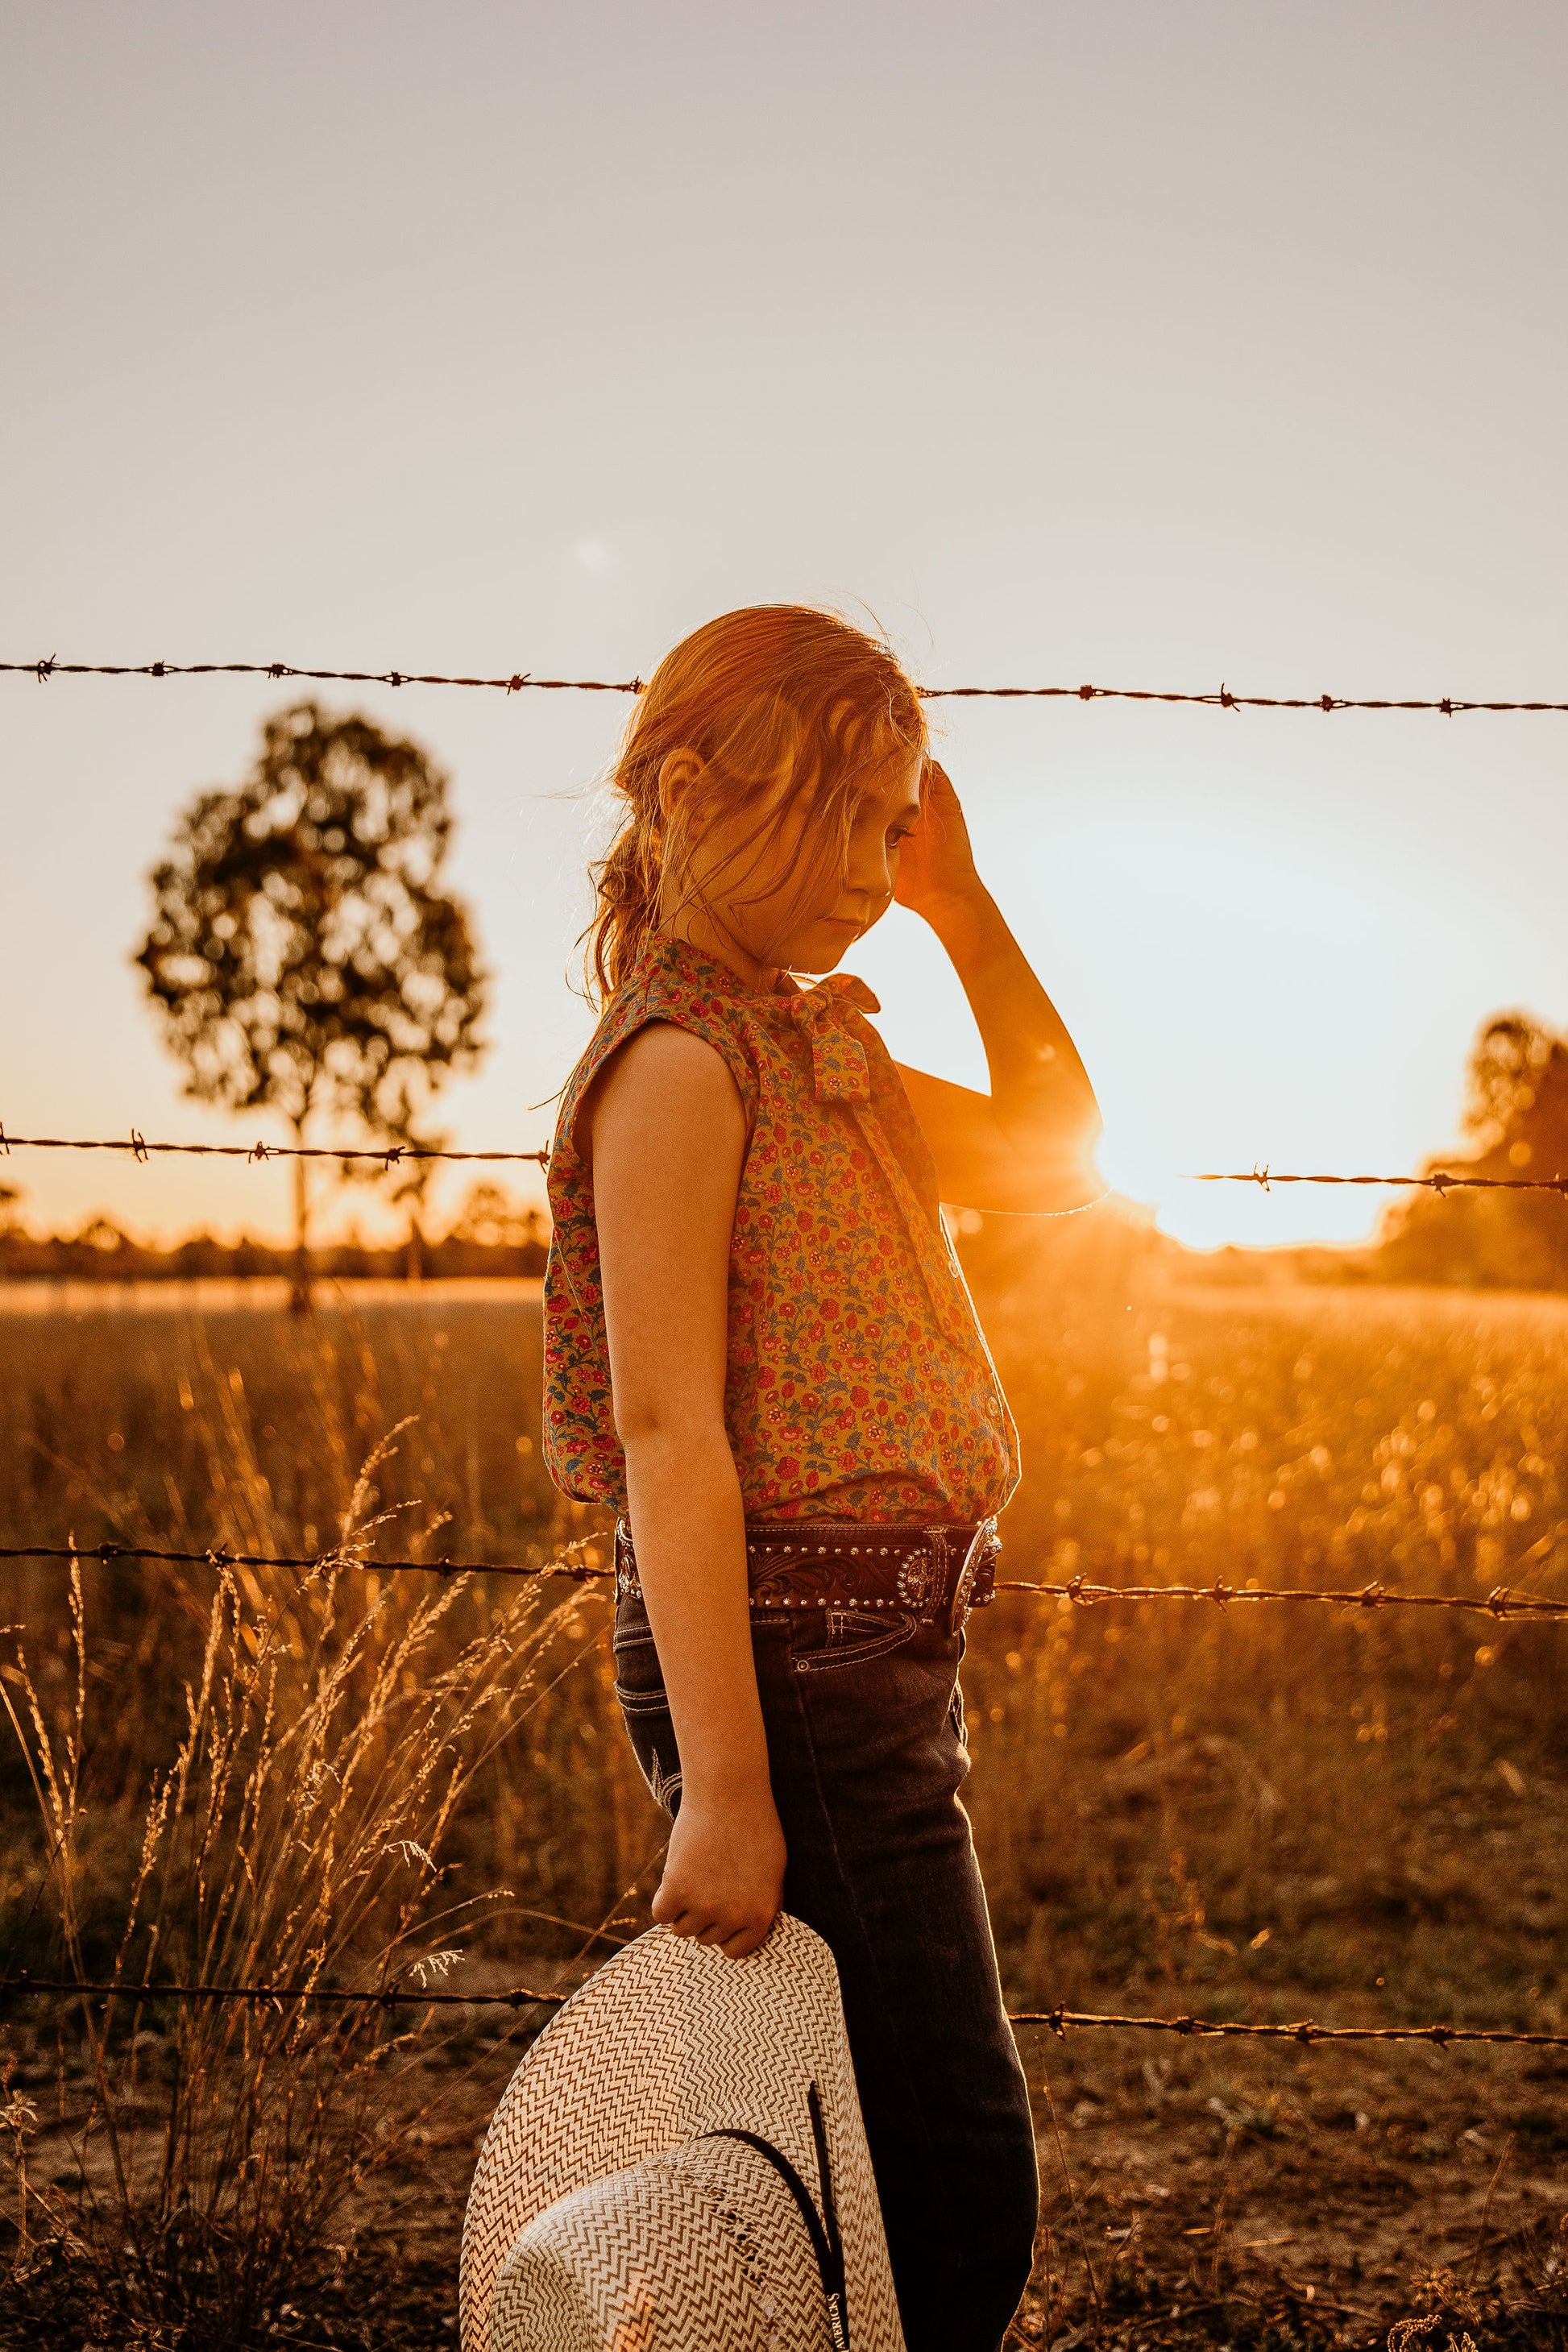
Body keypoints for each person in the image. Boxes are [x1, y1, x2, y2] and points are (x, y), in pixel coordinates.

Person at [541, 604, 1102, 2352]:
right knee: (945, 2163)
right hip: (781, 1653)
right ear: (690, 790)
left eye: (894, 822)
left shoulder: (821, 1042)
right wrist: (724, 1784)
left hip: (862, 1646)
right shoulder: (682, 1068)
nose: (872, 864)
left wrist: (964, 904)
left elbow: (1059, 1149)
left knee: (855, 2137)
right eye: (844, 817)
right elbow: (667, 1441)